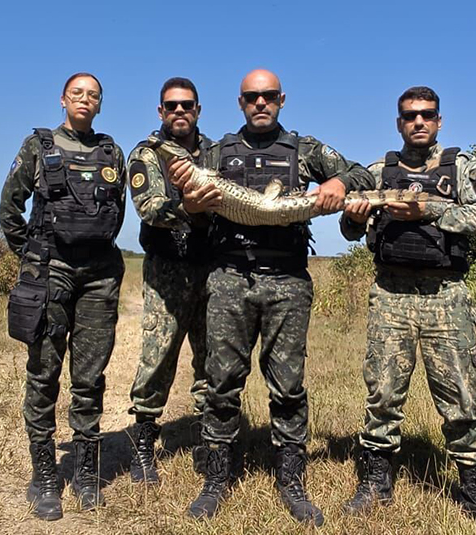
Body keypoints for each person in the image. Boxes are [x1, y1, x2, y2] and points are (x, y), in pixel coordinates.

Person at [170, 69, 370, 526]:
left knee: (288, 385)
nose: (260, 103)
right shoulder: (216, 151)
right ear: (240, 103)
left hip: (288, 280)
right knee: (220, 383)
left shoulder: (306, 149)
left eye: (269, 96)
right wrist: (191, 199)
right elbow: (189, 203)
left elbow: (357, 171)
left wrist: (339, 184)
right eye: (251, 97)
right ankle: (216, 478)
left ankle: (291, 479)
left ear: (282, 99)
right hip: (228, 277)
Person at [340, 86, 476, 534]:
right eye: (409, 116)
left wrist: (428, 209)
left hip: (446, 295)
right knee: (382, 394)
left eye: (427, 115)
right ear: (398, 122)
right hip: (391, 294)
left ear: (439, 121)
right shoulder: (379, 171)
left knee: (460, 397)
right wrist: (359, 215)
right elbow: (347, 227)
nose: (418, 122)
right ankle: (376, 480)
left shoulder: (461, 168)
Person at [0, 73, 126, 521]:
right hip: (50, 273)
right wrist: (33, 257)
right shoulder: (38, 147)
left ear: (99, 104)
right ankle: (45, 476)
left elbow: (117, 213)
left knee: (89, 378)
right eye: (78, 94)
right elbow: (9, 208)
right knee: (44, 374)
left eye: (93, 95)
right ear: (63, 99)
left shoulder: (112, 153)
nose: (85, 100)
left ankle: (88, 474)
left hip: (99, 277)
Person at [126, 77, 220, 483]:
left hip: (212, 267)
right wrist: (187, 206)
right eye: (171, 106)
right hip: (167, 268)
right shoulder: (146, 154)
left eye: (187, 105)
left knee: (212, 358)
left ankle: (207, 439)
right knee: (158, 356)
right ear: (161, 111)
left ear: (197, 110)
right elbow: (148, 207)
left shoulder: (217, 152)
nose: (179, 112)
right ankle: (143, 440)